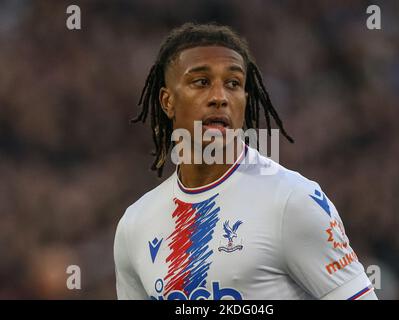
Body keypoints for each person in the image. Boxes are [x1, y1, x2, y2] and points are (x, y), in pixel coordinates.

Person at [114, 22, 377, 300]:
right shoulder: (135, 225)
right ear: (167, 101)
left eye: (233, 84)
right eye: (201, 82)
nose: (219, 97)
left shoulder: (291, 200)